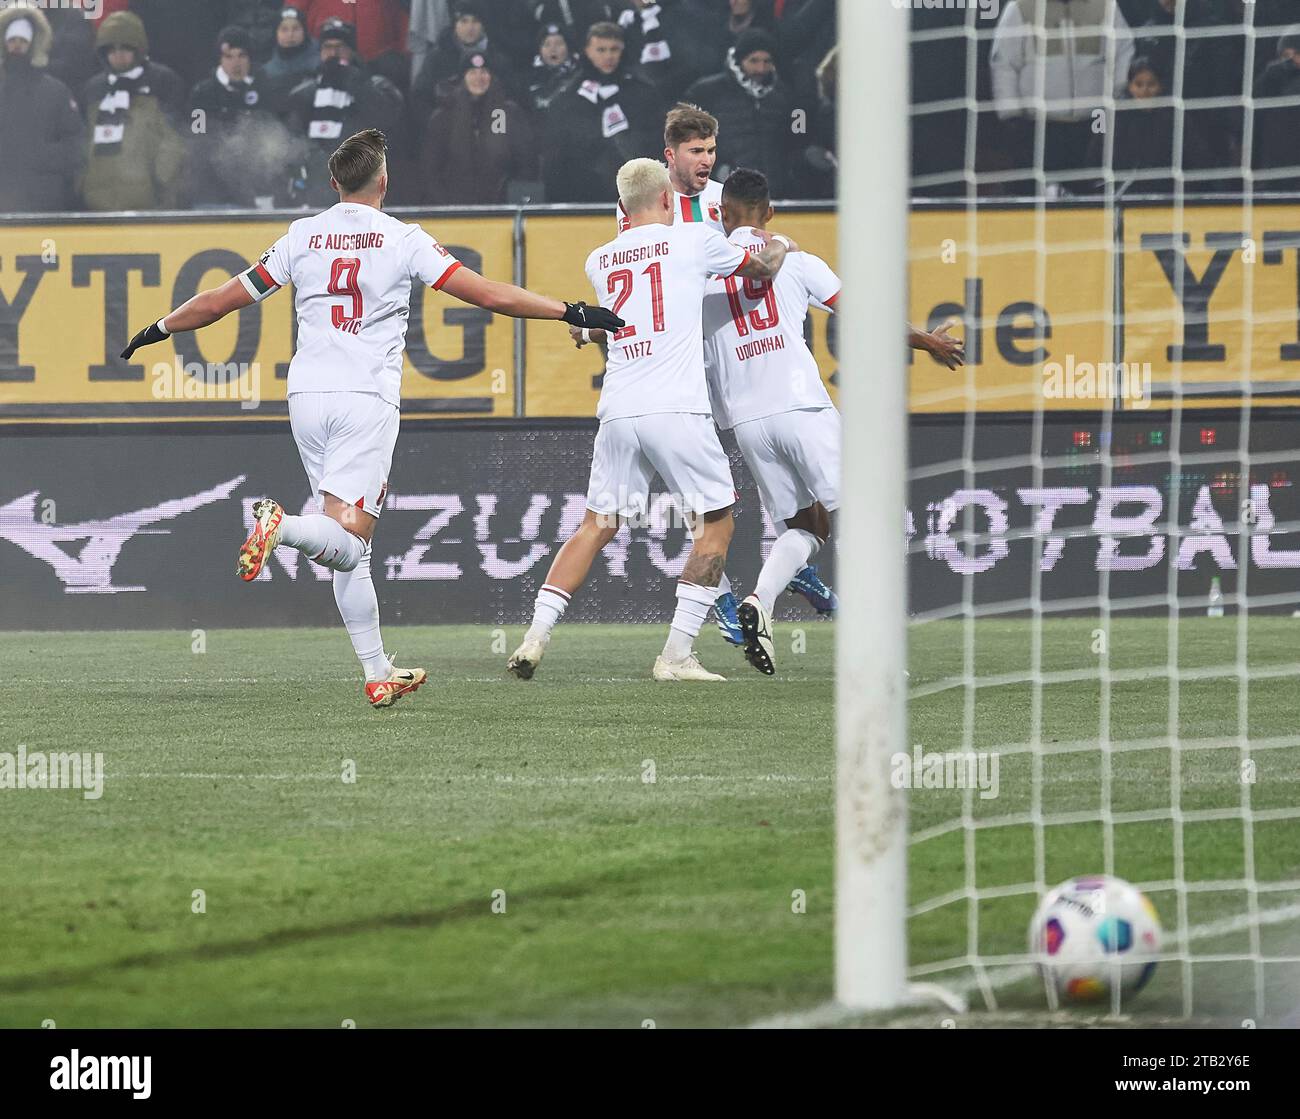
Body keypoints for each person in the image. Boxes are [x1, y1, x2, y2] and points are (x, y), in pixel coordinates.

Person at [120, 129, 623, 709]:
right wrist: (570, 309)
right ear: (384, 181)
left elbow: (220, 300)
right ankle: (278, 528)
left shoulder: (301, 236)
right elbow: (487, 294)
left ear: (333, 184)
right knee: (351, 542)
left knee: (342, 535)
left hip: (306, 397)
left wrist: (160, 328)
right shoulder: (404, 239)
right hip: (366, 398)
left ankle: (378, 670)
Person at [507, 157, 794, 683]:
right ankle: (677, 654)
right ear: (667, 199)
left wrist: (589, 333)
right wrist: (779, 245)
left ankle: (534, 637)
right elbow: (761, 269)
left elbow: (629, 316)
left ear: (621, 207)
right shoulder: (691, 240)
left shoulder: (600, 259)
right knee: (717, 524)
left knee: (596, 525)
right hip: (677, 408)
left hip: (618, 408)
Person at [286, 19, 405, 206]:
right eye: (328, 47)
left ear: (351, 51)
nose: (333, 53)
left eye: (340, 47)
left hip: (365, 192)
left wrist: (355, 83)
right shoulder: (305, 92)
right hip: (317, 194)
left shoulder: (376, 84)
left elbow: (387, 117)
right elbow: (291, 144)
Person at [542, 21, 664, 202]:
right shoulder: (567, 97)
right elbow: (556, 156)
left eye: (614, 49)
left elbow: (656, 143)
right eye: (601, 50)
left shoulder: (643, 93)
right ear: (587, 51)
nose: (608, 56)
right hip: (581, 195)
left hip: (636, 195)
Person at [80, 11, 187, 212]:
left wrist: (161, 182)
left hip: (150, 204)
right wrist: (82, 184)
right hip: (97, 204)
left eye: (125, 47)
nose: (118, 55)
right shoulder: (92, 89)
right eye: (110, 49)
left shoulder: (164, 81)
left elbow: (176, 138)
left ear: (139, 48)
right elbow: (82, 144)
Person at [681, 29, 803, 197]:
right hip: (722, 192)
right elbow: (684, 137)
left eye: (767, 61)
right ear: (739, 61)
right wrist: (715, 169)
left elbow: (799, 136)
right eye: (754, 61)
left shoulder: (787, 96)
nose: (760, 69)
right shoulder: (705, 93)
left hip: (775, 193)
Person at [189, 26, 291, 207]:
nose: (236, 63)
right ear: (219, 59)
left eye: (242, 55)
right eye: (229, 56)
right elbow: (198, 145)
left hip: (260, 191)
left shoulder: (267, 89)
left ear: (250, 57)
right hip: (215, 194)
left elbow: (280, 140)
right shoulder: (203, 94)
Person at [420, 52, 537, 204]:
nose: (479, 78)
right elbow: (431, 169)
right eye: (472, 72)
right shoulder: (444, 116)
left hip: (500, 208)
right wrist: (446, 205)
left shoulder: (508, 113)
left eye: (484, 72)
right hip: (454, 210)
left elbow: (527, 162)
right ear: (463, 77)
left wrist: (511, 199)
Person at [0, 7, 85, 214]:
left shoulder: (55, 91)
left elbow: (75, 143)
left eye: (23, 40)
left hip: (42, 201)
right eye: (12, 40)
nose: (17, 46)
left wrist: (42, 156)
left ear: (33, 43)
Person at [261, 6, 321, 95]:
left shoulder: (321, 60)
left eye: (296, 29)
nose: (290, 34)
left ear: (304, 31)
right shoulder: (268, 70)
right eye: (284, 29)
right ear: (276, 33)